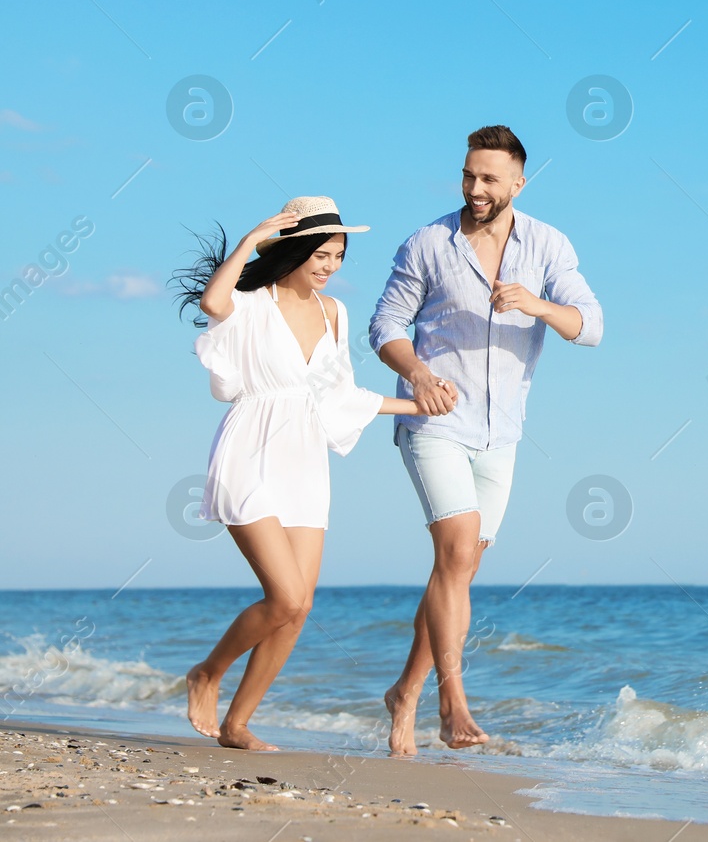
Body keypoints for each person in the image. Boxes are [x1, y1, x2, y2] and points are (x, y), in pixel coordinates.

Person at [171, 196, 438, 751]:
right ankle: (207, 673)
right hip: (250, 446)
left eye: (338, 256)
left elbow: (337, 396)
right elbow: (212, 300)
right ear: (292, 249)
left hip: (304, 456)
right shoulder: (251, 301)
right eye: (320, 253)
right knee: (286, 597)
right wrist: (253, 239)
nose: (328, 265)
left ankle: (237, 724)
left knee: (300, 607)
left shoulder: (333, 313)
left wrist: (416, 406)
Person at [370, 125, 602, 755]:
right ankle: (453, 702)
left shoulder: (548, 246)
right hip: (437, 420)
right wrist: (417, 374)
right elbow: (385, 324)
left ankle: (403, 696)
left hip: (504, 433)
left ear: (517, 184)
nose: (475, 188)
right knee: (454, 555)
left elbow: (591, 326)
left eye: (489, 178)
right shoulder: (427, 243)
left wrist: (538, 305)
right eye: (469, 175)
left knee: (459, 570)